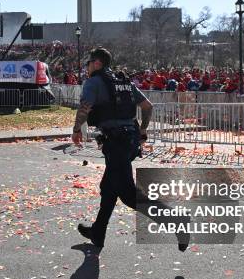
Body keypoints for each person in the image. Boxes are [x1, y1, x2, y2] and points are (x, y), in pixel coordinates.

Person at [71, 47, 187, 252]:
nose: (87, 68)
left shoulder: (94, 82)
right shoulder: (123, 82)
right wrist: (142, 130)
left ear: (96, 63)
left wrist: (76, 129)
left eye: (88, 63)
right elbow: (147, 106)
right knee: (109, 188)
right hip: (129, 141)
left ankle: (176, 221)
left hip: (115, 143)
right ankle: (97, 233)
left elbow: (86, 106)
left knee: (128, 194)